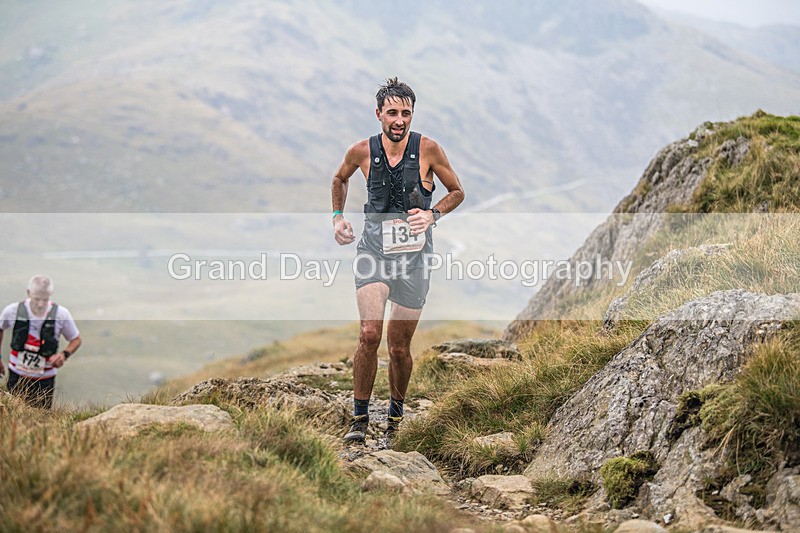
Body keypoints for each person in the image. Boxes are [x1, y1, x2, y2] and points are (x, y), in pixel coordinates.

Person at [331, 77, 465, 444]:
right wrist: (337, 217)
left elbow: (457, 192)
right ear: (379, 114)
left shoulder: (429, 149)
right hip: (373, 253)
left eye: (406, 113)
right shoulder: (361, 151)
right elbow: (339, 178)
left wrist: (432, 215)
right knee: (369, 333)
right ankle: (359, 421)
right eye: (392, 112)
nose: (399, 120)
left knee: (399, 345)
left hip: (415, 260)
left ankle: (395, 418)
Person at [0, 275, 81, 409]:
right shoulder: (12, 310)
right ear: (28, 293)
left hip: (45, 380)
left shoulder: (61, 314)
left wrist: (64, 355)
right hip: (17, 375)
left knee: (40, 419)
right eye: (37, 299)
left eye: (45, 299)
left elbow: (76, 339)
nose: (41, 304)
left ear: (50, 294)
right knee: (14, 415)